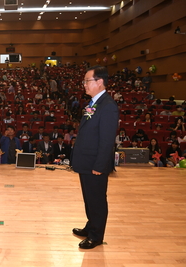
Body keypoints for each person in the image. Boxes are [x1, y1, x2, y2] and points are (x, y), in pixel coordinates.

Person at [71, 65, 119, 249]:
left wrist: (99, 165)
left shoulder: (107, 106)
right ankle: (91, 226)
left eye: (87, 81)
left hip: (95, 164)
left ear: (100, 82)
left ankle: (96, 236)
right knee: (89, 197)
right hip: (86, 161)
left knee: (97, 199)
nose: (84, 84)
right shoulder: (94, 103)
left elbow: (107, 141)